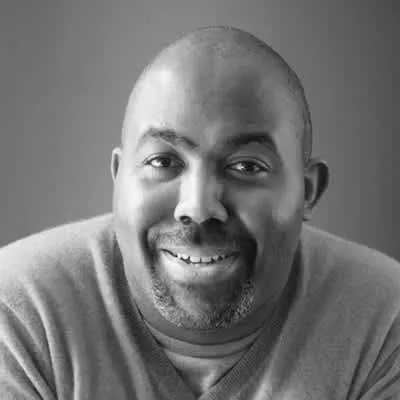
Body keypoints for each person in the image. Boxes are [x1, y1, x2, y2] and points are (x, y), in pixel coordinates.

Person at [0, 26, 399, 400]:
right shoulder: (20, 313)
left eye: (247, 166)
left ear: (308, 192)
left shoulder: (384, 322)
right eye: (163, 161)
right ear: (119, 178)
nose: (199, 207)